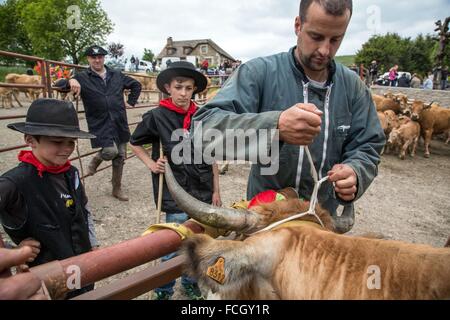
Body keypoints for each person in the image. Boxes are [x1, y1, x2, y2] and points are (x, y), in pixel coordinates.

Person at [192, 0, 385, 219]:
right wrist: (275, 126)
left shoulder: (354, 87)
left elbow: (368, 144)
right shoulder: (259, 73)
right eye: (316, 36)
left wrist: (356, 173)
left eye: (335, 39)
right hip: (266, 221)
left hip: (322, 223)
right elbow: (202, 133)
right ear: (298, 25)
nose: (324, 49)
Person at [130, 61, 222, 300]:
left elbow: (211, 154)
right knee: (174, 244)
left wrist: (216, 190)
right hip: (175, 191)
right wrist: (151, 164)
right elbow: (134, 142)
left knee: (198, 241)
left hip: (202, 190)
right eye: (179, 87)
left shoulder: (202, 116)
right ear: (168, 88)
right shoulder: (156, 116)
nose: (183, 93)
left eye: (188, 88)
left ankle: (190, 282)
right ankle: (163, 290)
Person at [0, 98, 99, 298]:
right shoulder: (13, 183)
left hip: (81, 264)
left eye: (71, 142)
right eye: (57, 142)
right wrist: (12, 253)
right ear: (30, 140)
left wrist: (92, 243)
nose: (66, 149)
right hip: (45, 277)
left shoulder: (70, 172)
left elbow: (84, 209)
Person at [68, 45, 142, 201]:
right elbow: (61, 84)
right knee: (110, 151)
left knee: (121, 156)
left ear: (104, 58)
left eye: (100, 57)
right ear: (88, 59)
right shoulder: (82, 77)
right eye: (93, 57)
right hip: (99, 122)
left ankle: (117, 188)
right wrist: (71, 80)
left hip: (119, 121)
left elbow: (136, 85)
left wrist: (131, 101)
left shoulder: (116, 74)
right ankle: (96, 160)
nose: (97, 60)